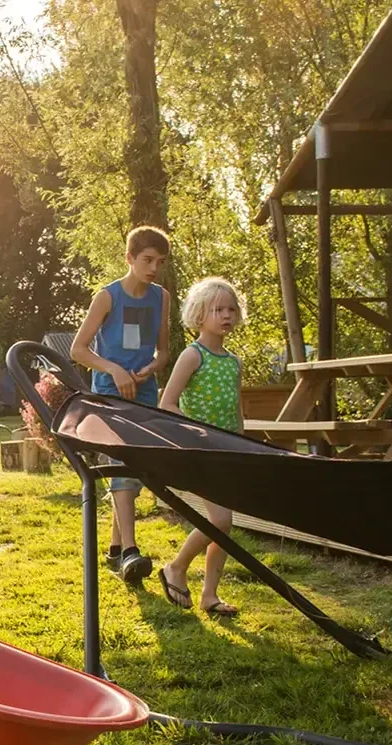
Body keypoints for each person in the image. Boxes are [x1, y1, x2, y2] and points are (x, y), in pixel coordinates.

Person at [70, 224, 174, 585]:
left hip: (144, 393)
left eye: (160, 262)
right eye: (147, 260)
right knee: (119, 465)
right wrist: (114, 369)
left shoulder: (161, 297)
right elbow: (78, 350)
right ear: (129, 258)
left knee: (135, 467)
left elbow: (164, 352)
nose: (154, 268)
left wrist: (151, 369)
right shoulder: (107, 297)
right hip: (109, 394)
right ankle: (130, 550)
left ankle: (115, 548)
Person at [156, 276, 246, 617]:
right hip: (199, 451)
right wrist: (198, 433)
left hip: (228, 452)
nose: (226, 315)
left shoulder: (233, 362)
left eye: (231, 309)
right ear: (199, 314)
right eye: (217, 310)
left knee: (224, 524)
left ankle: (210, 595)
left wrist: (241, 443)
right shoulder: (193, 356)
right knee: (220, 520)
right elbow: (167, 404)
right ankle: (176, 567)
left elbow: (237, 410)